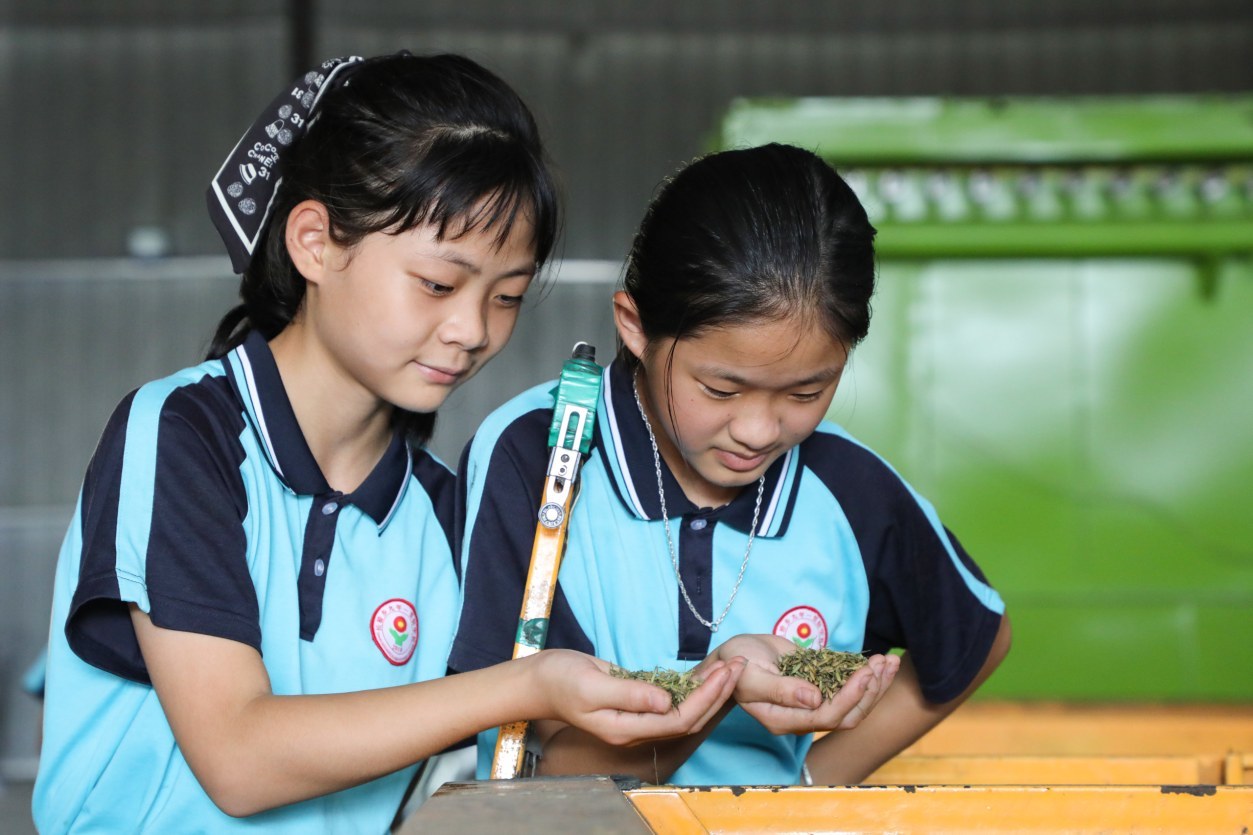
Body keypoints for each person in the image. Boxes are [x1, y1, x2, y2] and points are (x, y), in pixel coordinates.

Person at [32, 51, 743, 834]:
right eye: (438, 284)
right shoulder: (185, 436)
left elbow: (555, 773)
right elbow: (237, 757)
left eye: (505, 297)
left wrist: (712, 691)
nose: (472, 330)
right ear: (315, 243)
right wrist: (524, 685)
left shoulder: (443, 513)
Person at [450, 142, 1012, 786]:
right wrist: (724, 682)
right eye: (721, 389)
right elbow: (560, 775)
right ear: (635, 324)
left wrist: (810, 788)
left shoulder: (850, 489)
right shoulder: (538, 458)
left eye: (807, 393)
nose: (758, 430)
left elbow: (977, 638)